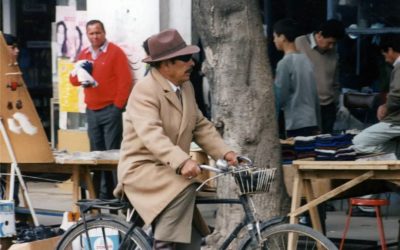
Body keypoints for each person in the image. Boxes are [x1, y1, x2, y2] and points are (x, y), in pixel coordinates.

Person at [115, 29, 238, 249]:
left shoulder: (186, 87)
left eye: (190, 57)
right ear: (165, 64)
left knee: (191, 230)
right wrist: (182, 161)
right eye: (184, 58)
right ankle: (161, 245)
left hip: (169, 169)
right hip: (142, 169)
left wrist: (225, 152)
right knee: (185, 185)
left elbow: (200, 125)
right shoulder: (144, 91)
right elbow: (152, 135)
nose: (191, 63)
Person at [69, 20, 133, 199]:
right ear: (87, 35)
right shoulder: (84, 54)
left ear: (104, 33)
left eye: (98, 33)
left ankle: (115, 195)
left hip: (110, 109)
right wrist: (80, 75)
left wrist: (118, 106)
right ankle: (98, 195)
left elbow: (125, 81)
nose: (95, 36)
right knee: (96, 154)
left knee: (112, 154)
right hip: (92, 110)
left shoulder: (115, 52)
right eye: (91, 33)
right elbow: (73, 81)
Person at [353, 34, 400, 157]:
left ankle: (394, 157)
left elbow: (397, 94)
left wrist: (385, 107)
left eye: (384, 55)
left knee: (358, 143)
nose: (385, 59)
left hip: (396, 121)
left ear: (390, 50)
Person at [295, 19, 345, 134]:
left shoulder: (333, 53)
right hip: (306, 106)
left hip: (328, 107)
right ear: (320, 35)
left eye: (335, 43)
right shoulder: (300, 43)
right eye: (329, 42)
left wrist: (337, 103)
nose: (332, 47)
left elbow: (335, 82)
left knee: (326, 145)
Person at [273, 19, 320, 137]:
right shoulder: (306, 59)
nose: (274, 40)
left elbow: (280, 96)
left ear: (282, 37)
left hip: (294, 121)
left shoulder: (284, 63)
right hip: (311, 119)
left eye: (275, 36)